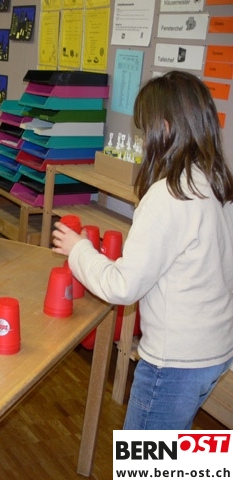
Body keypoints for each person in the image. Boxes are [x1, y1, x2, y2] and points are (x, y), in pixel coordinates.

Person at [51, 71, 233, 430]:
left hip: (174, 362)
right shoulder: (216, 183)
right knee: (172, 449)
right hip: (216, 350)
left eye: (145, 129)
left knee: (144, 456)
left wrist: (79, 249)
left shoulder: (169, 195)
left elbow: (123, 286)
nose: (143, 138)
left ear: (164, 128)